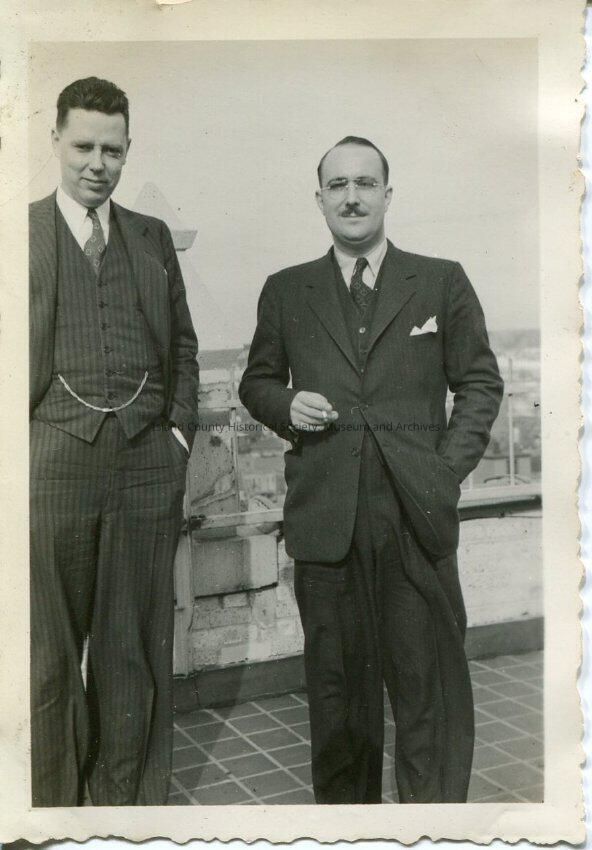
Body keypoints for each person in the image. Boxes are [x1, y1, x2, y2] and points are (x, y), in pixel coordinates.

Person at [239, 136, 504, 804]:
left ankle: (434, 836)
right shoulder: (286, 289)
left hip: (416, 521)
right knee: (339, 711)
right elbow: (256, 382)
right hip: (327, 526)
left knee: (427, 701)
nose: (351, 197)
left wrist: (443, 475)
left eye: (365, 184)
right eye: (338, 185)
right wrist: (286, 404)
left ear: (388, 194)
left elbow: (479, 384)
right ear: (319, 198)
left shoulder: (441, 280)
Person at [29, 77, 199, 806]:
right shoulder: (18, 231)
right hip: (50, 464)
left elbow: (184, 345)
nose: (97, 164)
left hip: (145, 465)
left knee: (132, 655)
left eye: (113, 150)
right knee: (46, 658)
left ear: (128, 150)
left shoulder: (152, 238)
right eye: (83, 147)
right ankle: (51, 814)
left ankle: (125, 812)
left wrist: (178, 436)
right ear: (55, 142)